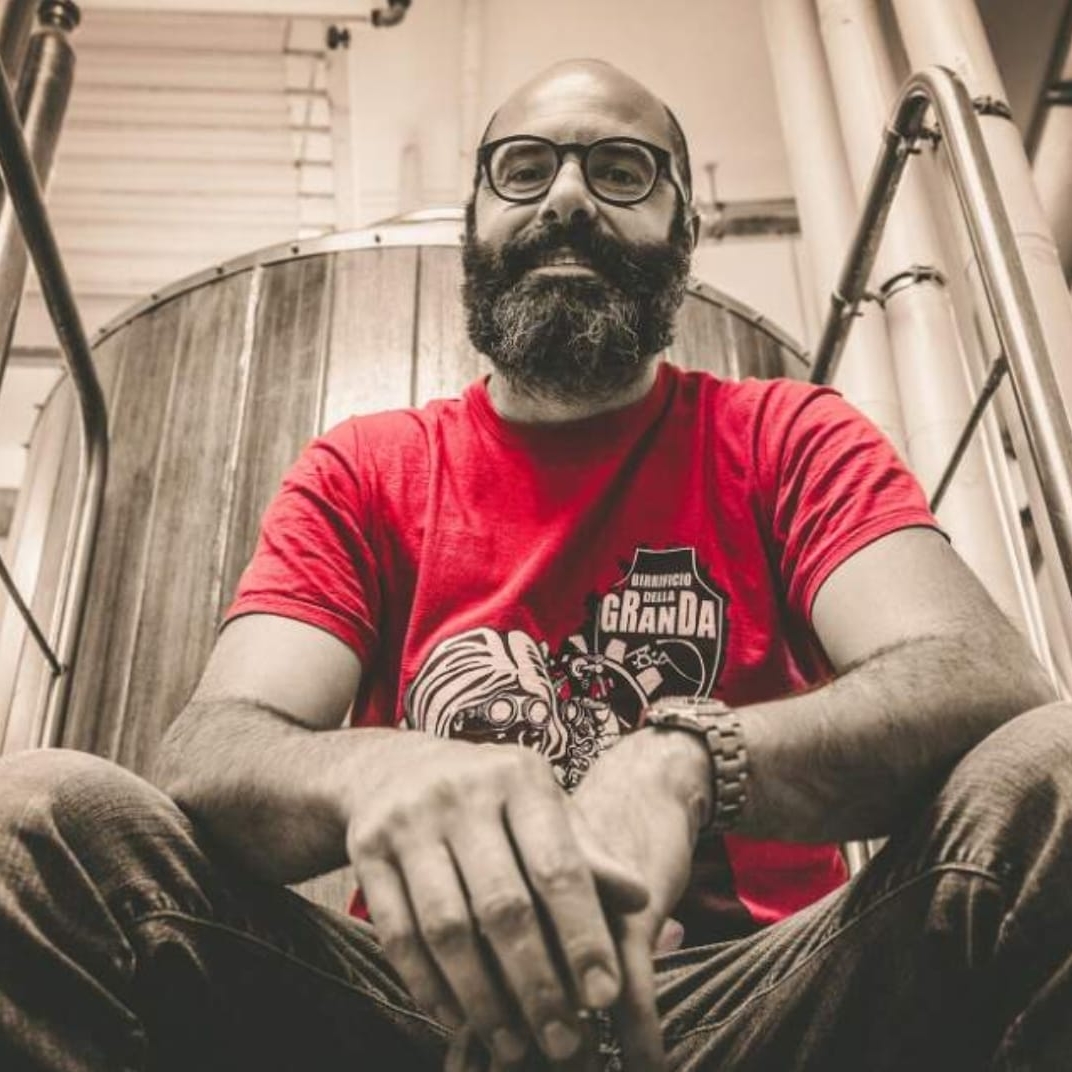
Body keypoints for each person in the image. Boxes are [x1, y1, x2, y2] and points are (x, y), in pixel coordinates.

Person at [1, 57, 1069, 1072]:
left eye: (621, 169)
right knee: (35, 819)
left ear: (684, 229)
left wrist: (685, 763)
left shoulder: (787, 435)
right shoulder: (364, 468)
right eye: (523, 167)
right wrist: (378, 769)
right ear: (474, 218)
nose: (566, 197)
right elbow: (212, 749)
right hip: (409, 1012)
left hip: (755, 1003)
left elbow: (983, 678)